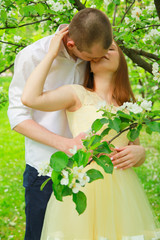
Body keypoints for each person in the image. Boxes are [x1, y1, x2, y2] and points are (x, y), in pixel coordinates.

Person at [21, 27, 159, 240]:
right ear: (90, 63)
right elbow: (30, 99)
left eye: (110, 48)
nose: (104, 51)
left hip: (121, 193)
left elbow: (133, 148)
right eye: (99, 51)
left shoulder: (129, 106)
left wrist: (140, 153)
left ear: (121, 61)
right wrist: (50, 53)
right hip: (84, 186)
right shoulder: (77, 94)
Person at [7, 8, 114, 240]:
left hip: (90, 172)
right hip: (45, 169)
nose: (96, 61)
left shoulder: (99, 52)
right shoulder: (32, 56)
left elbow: (115, 101)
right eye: (91, 58)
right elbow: (17, 115)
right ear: (72, 43)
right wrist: (64, 144)